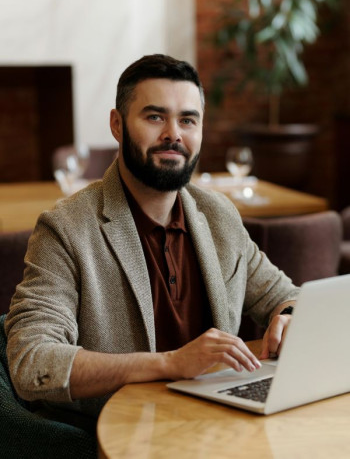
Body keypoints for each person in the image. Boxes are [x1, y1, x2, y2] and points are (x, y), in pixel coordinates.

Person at [5, 54, 299, 423]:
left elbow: (286, 297)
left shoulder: (218, 215)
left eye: (187, 120)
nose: (173, 134)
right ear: (117, 124)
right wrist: (168, 364)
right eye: (155, 116)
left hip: (216, 423)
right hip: (118, 432)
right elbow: (31, 362)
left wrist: (289, 315)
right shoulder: (66, 228)